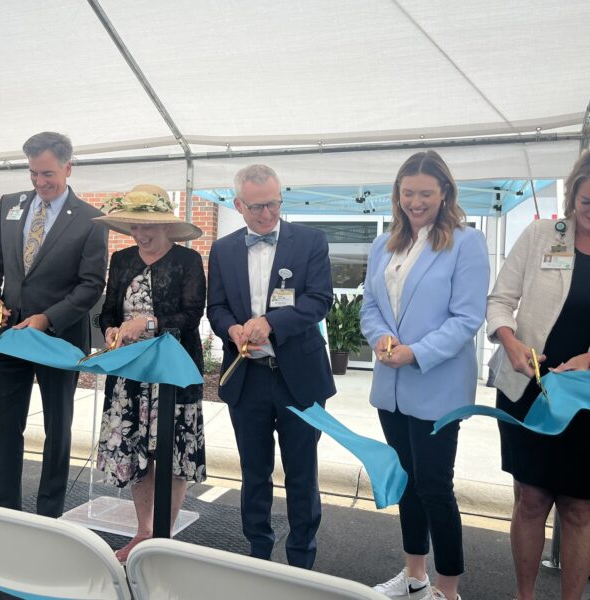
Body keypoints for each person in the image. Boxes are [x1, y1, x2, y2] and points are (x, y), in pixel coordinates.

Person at [361, 151, 489, 600]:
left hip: (436, 385)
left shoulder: (465, 242)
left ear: (445, 193)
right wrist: (379, 339)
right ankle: (414, 574)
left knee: (435, 487)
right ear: (397, 194)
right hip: (391, 389)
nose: (416, 202)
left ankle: (446, 589)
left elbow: (467, 318)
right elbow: (370, 307)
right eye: (408, 193)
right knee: (406, 484)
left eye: (426, 194)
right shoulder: (384, 243)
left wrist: (416, 352)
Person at [207, 164, 336, 569]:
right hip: (248, 380)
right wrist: (231, 330)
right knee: (254, 474)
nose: (268, 214)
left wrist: (270, 324)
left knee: (302, 475)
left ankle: (301, 561)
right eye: (258, 206)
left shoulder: (310, 241)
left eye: (275, 204)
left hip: (299, 378)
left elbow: (319, 300)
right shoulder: (224, 248)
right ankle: (257, 555)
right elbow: (217, 307)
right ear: (238, 204)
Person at [0, 131, 108, 517]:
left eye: (48, 173)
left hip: (58, 337)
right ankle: (4, 510)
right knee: (4, 427)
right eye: (33, 173)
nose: (39, 182)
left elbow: (91, 285)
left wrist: (47, 318)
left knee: (57, 430)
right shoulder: (8, 206)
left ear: (68, 168)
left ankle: (49, 513)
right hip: (8, 336)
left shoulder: (90, 219)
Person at [486, 151, 590, 600]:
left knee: (580, 509)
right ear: (573, 196)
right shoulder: (543, 233)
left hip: (584, 399)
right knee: (529, 500)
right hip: (529, 388)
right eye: (587, 203)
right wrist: (510, 343)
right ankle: (523, 597)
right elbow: (499, 300)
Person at [93, 184, 207, 563]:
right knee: (136, 454)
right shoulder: (122, 259)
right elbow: (107, 310)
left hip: (172, 374)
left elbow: (192, 317)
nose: (141, 236)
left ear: (168, 228)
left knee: (172, 456)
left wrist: (149, 322)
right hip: (129, 376)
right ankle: (144, 532)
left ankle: (164, 536)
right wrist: (111, 329)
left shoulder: (188, 262)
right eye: (134, 229)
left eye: (149, 229)